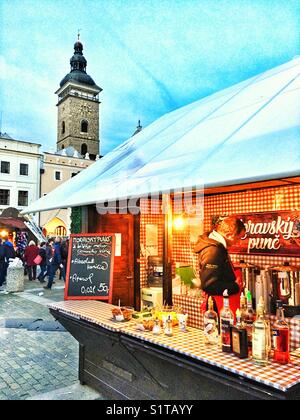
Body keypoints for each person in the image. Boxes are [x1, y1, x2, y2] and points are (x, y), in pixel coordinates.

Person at [195, 216, 246, 316]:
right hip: (217, 306)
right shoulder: (213, 251)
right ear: (229, 235)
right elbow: (209, 285)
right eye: (238, 238)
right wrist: (235, 286)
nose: (238, 242)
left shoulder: (218, 247)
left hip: (223, 304)